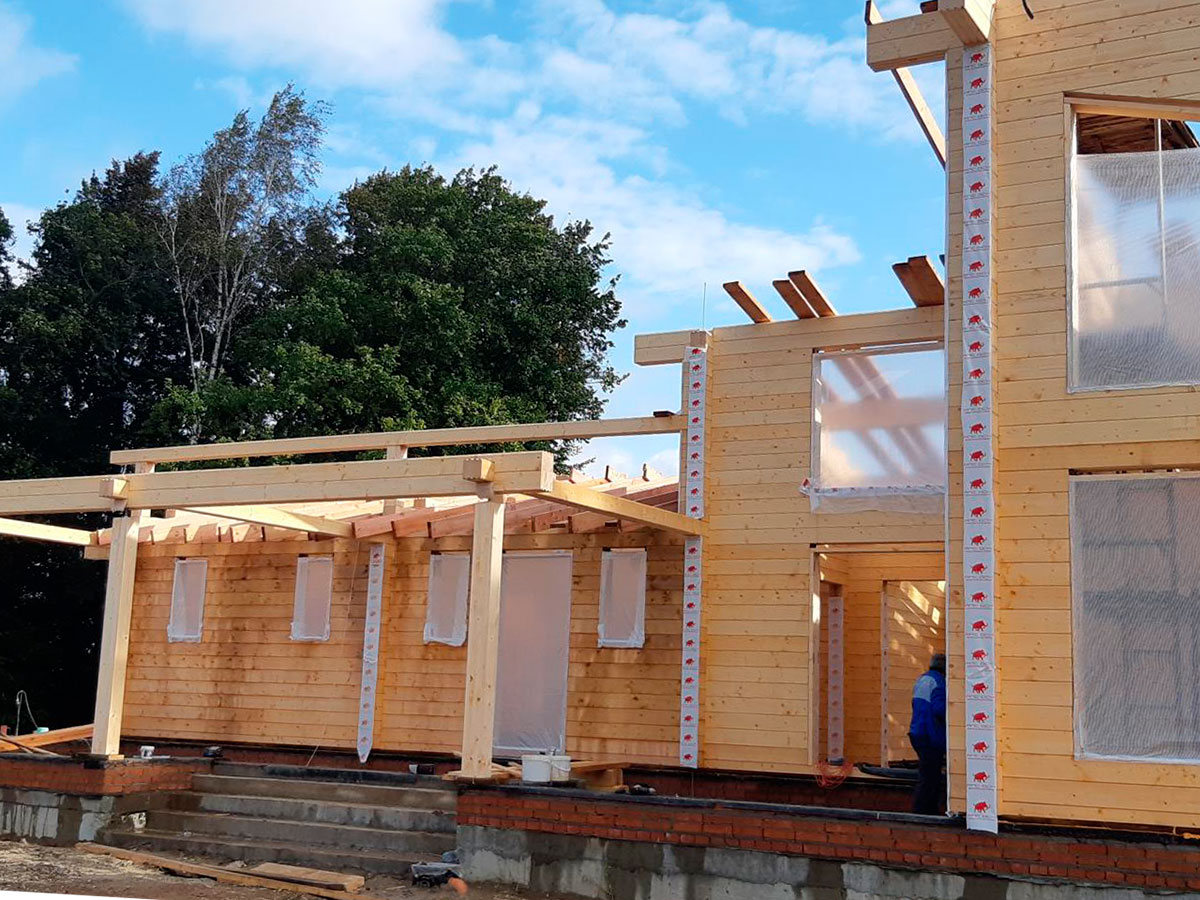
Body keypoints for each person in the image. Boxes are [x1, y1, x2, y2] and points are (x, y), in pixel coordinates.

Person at [908, 652, 947, 815]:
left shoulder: (923, 679)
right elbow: (940, 709)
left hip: (917, 732)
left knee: (928, 774)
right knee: (930, 777)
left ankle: (926, 810)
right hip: (930, 735)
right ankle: (923, 812)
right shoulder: (939, 682)